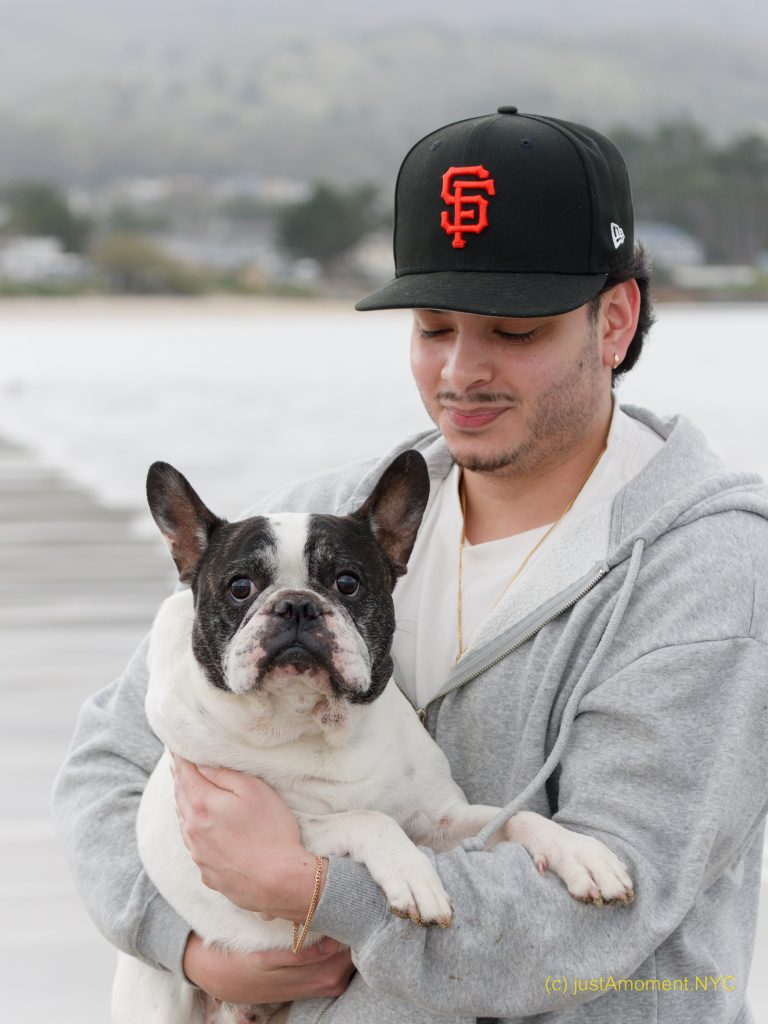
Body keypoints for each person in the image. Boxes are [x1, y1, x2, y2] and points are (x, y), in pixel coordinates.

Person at [53, 107, 768, 1023]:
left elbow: (603, 914)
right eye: (434, 328)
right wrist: (193, 948)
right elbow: (104, 765)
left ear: (614, 322)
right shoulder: (325, 525)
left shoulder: (704, 574)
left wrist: (312, 889)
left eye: (513, 333)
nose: (462, 372)